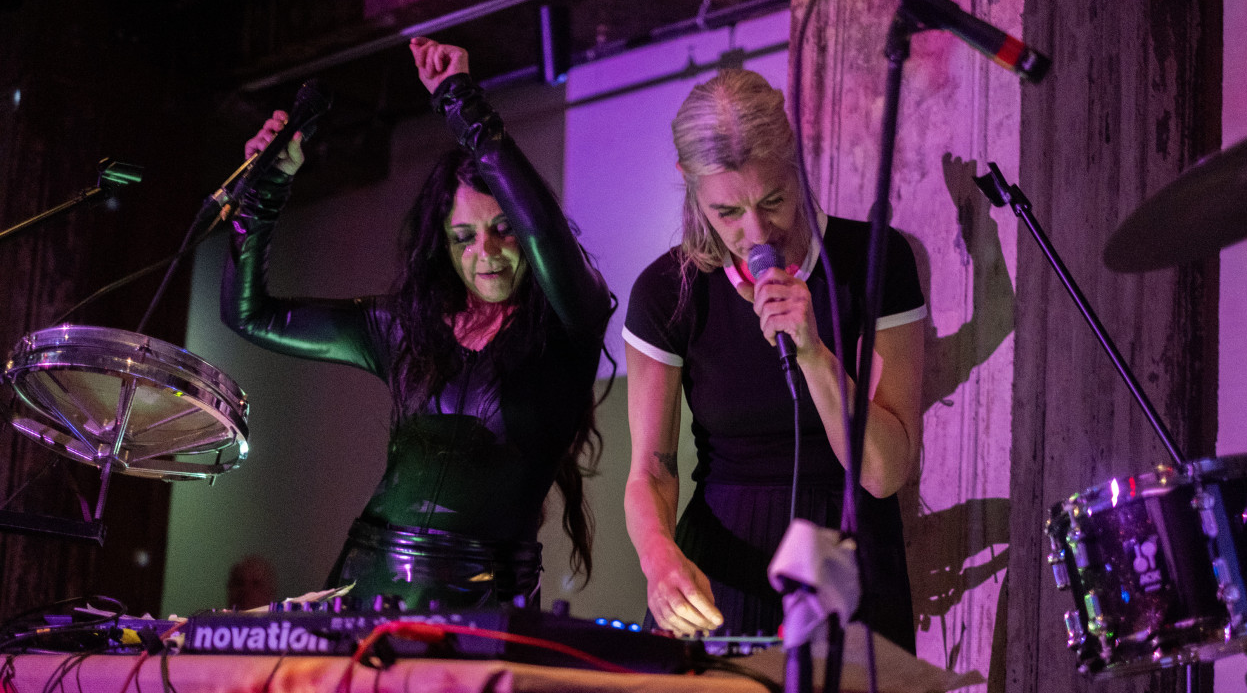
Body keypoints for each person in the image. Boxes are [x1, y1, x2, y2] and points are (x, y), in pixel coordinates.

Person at [223, 39, 613, 613]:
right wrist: (267, 188)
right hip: (364, 588)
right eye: (464, 238)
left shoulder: (568, 325)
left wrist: (462, 103)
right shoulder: (405, 328)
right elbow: (250, 313)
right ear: (442, 245)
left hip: (485, 606)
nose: (488, 253)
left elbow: (547, 233)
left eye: (504, 230)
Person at [623, 68, 925, 652]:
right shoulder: (667, 290)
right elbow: (652, 471)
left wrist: (813, 351)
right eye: (728, 212)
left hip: (850, 557)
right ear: (689, 184)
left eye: (773, 200)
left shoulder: (876, 261)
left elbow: (883, 474)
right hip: (726, 566)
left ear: (798, 163)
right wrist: (659, 558)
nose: (756, 230)